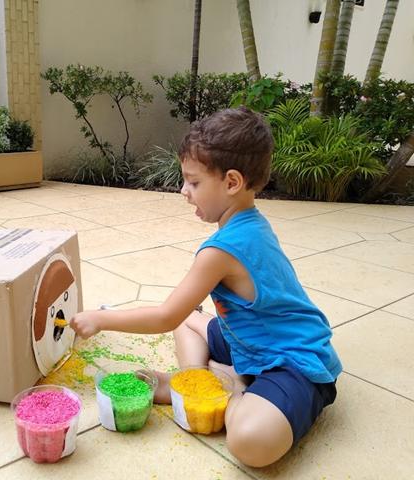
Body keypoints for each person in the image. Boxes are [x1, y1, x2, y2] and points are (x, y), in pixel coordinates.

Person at [69, 107, 341, 467]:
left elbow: (164, 317)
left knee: (251, 444)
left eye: (194, 182)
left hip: (291, 361)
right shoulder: (251, 221)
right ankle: (194, 380)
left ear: (232, 182)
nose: (184, 191)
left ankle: (232, 385)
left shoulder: (221, 251)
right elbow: (178, 315)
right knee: (188, 317)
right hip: (248, 339)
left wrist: (101, 319)